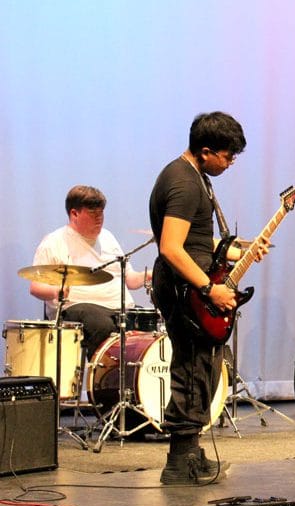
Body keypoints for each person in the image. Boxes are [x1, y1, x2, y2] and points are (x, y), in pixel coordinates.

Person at [149, 111, 268, 485]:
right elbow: (171, 247)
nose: (230, 163)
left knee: (203, 367)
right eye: (227, 156)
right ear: (205, 151)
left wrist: (239, 251)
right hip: (187, 290)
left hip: (193, 286)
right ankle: (179, 462)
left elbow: (196, 241)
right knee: (192, 368)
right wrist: (209, 288)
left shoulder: (194, 177)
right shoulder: (184, 183)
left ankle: (191, 452)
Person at [29, 185, 151, 364]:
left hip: (119, 309)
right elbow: (35, 287)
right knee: (101, 324)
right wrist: (57, 291)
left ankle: (138, 378)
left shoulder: (108, 237)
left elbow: (130, 280)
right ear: (74, 213)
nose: (99, 219)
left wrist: (148, 275)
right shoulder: (54, 242)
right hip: (78, 308)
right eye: (93, 213)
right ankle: (105, 377)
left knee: (148, 323)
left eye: (101, 213)